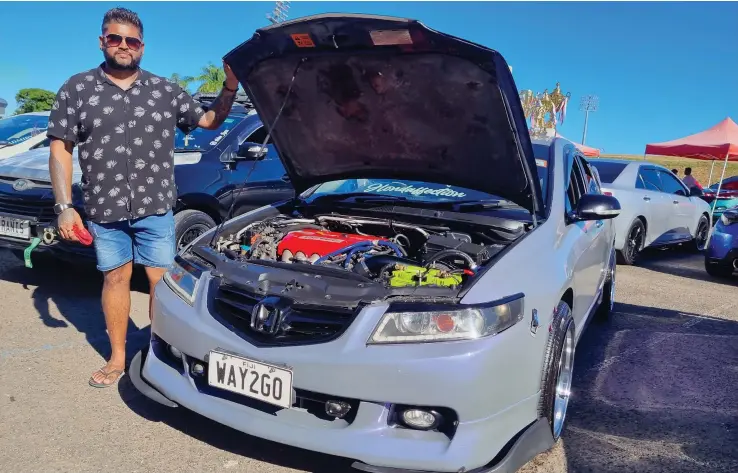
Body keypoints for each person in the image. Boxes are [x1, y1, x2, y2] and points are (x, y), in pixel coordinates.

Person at [47, 7, 240, 388]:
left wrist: (230, 86)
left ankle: (156, 349)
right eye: (115, 38)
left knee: (160, 282)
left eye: (131, 41)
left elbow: (208, 121)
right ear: (102, 41)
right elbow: (60, 150)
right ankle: (117, 356)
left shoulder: (164, 90)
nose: (123, 46)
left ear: (142, 47)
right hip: (105, 208)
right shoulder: (77, 88)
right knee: (115, 278)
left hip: (155, 207)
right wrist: (65, 207)